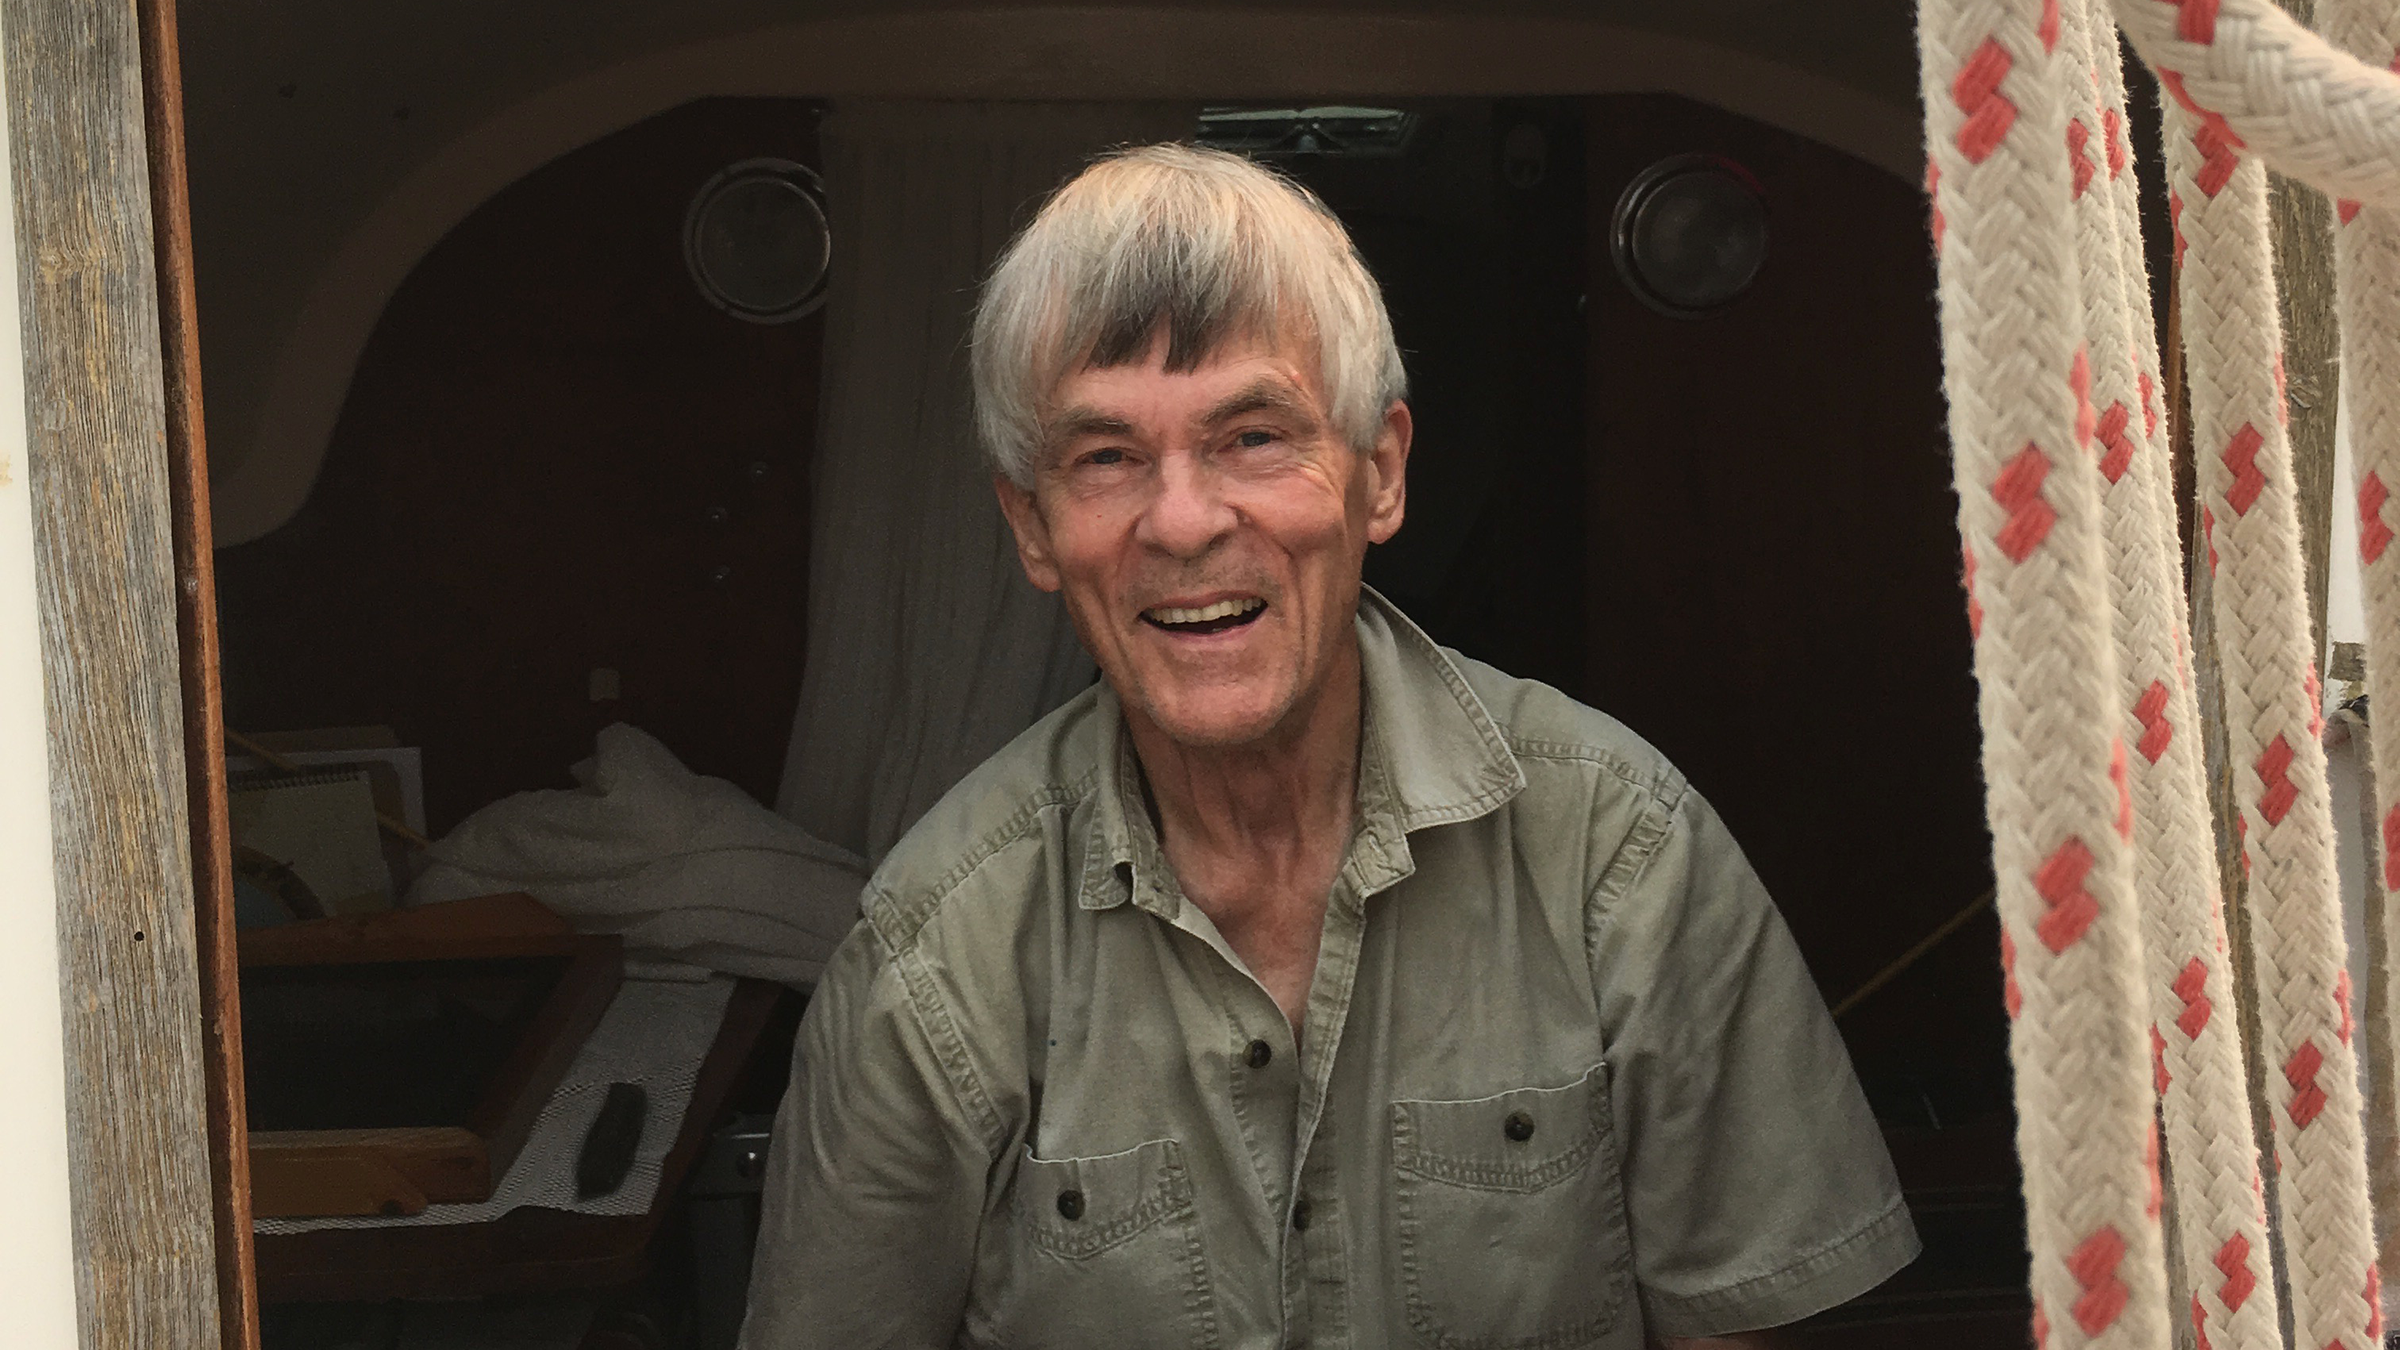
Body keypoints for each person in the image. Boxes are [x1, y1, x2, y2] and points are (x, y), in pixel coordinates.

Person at [741, 143, 1917, 1350]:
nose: (1186, 521)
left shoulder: (1621, 852)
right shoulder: (933, 954)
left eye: (1254, 436)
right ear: (1034, 529)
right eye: (1107, 457)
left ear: (1382, 472)